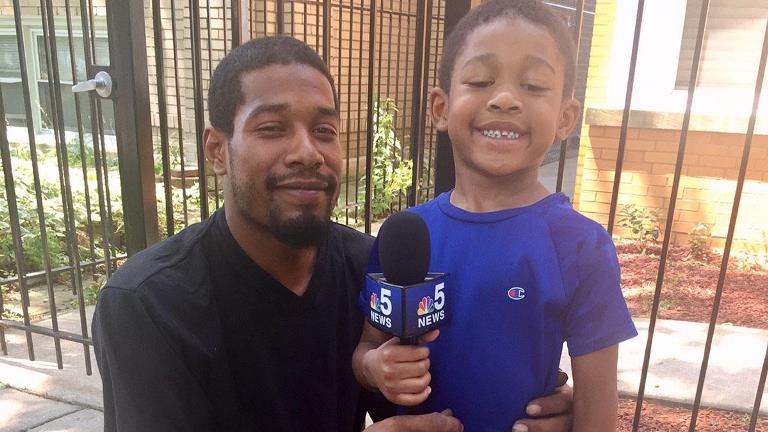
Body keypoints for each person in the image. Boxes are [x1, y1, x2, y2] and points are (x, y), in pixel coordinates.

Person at [92, 35, 572, 431]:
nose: (307, 152)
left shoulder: (370, 270)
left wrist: (537, 409)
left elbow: (429, 407)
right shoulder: (148, 305)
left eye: (324, 130)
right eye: (272, 128)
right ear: (218, 150)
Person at [353, 1, 638, 431]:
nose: (505, 99)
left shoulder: (580, 245)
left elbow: (597, 401)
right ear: (440, 108)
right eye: (481, 81)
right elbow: (365, 350)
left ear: (565, 118)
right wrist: (376, 367)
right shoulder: (407, 234)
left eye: (534, 85)